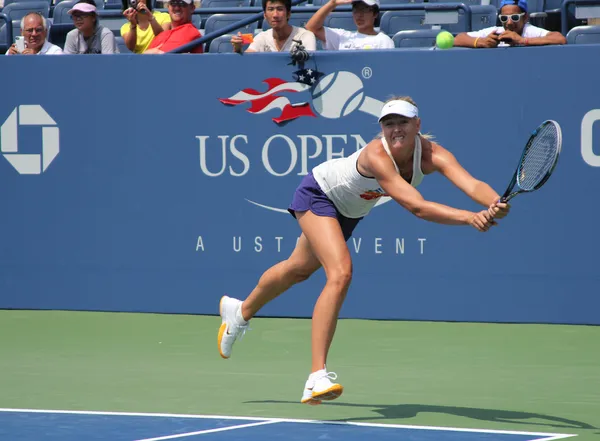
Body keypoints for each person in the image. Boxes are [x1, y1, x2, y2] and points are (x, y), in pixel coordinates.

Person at [217, 96, 510, 405]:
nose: (395, 129)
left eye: (403, 122)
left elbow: (471, 183)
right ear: (381, 128)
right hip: (320, 194)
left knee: (297, 269)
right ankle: (316, 377)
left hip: (350, 211)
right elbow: (417, 207)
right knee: (340, 273)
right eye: (388, 124)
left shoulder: (433, 155)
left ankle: (240, 312)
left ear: (418, 125)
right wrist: (469, 217)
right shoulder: (376, 156)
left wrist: (493, 202)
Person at [454, 0, 566, 48]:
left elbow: (560, 38)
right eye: (504, 18)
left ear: (525, 17)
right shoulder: (496, 31)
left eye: (515, 17)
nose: (509, 23)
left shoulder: (529, 31)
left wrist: (522, 40)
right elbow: (458, 38)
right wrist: (480, 42)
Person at [230, 0, 316, 54]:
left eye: (280, 9)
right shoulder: (261, 37)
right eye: (271, 9)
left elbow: (310, 63)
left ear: (288, 14)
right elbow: (249, 60)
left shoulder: (305, 36)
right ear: (265, 15)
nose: (275, 15)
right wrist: (238, 49)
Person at [305, 0, 394, 50]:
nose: (359, 15)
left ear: (375, 14)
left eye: (365, 9)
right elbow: (311, 28)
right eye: (356, 10)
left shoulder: (384, 40)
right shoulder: (342, 36)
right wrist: (333, 3)